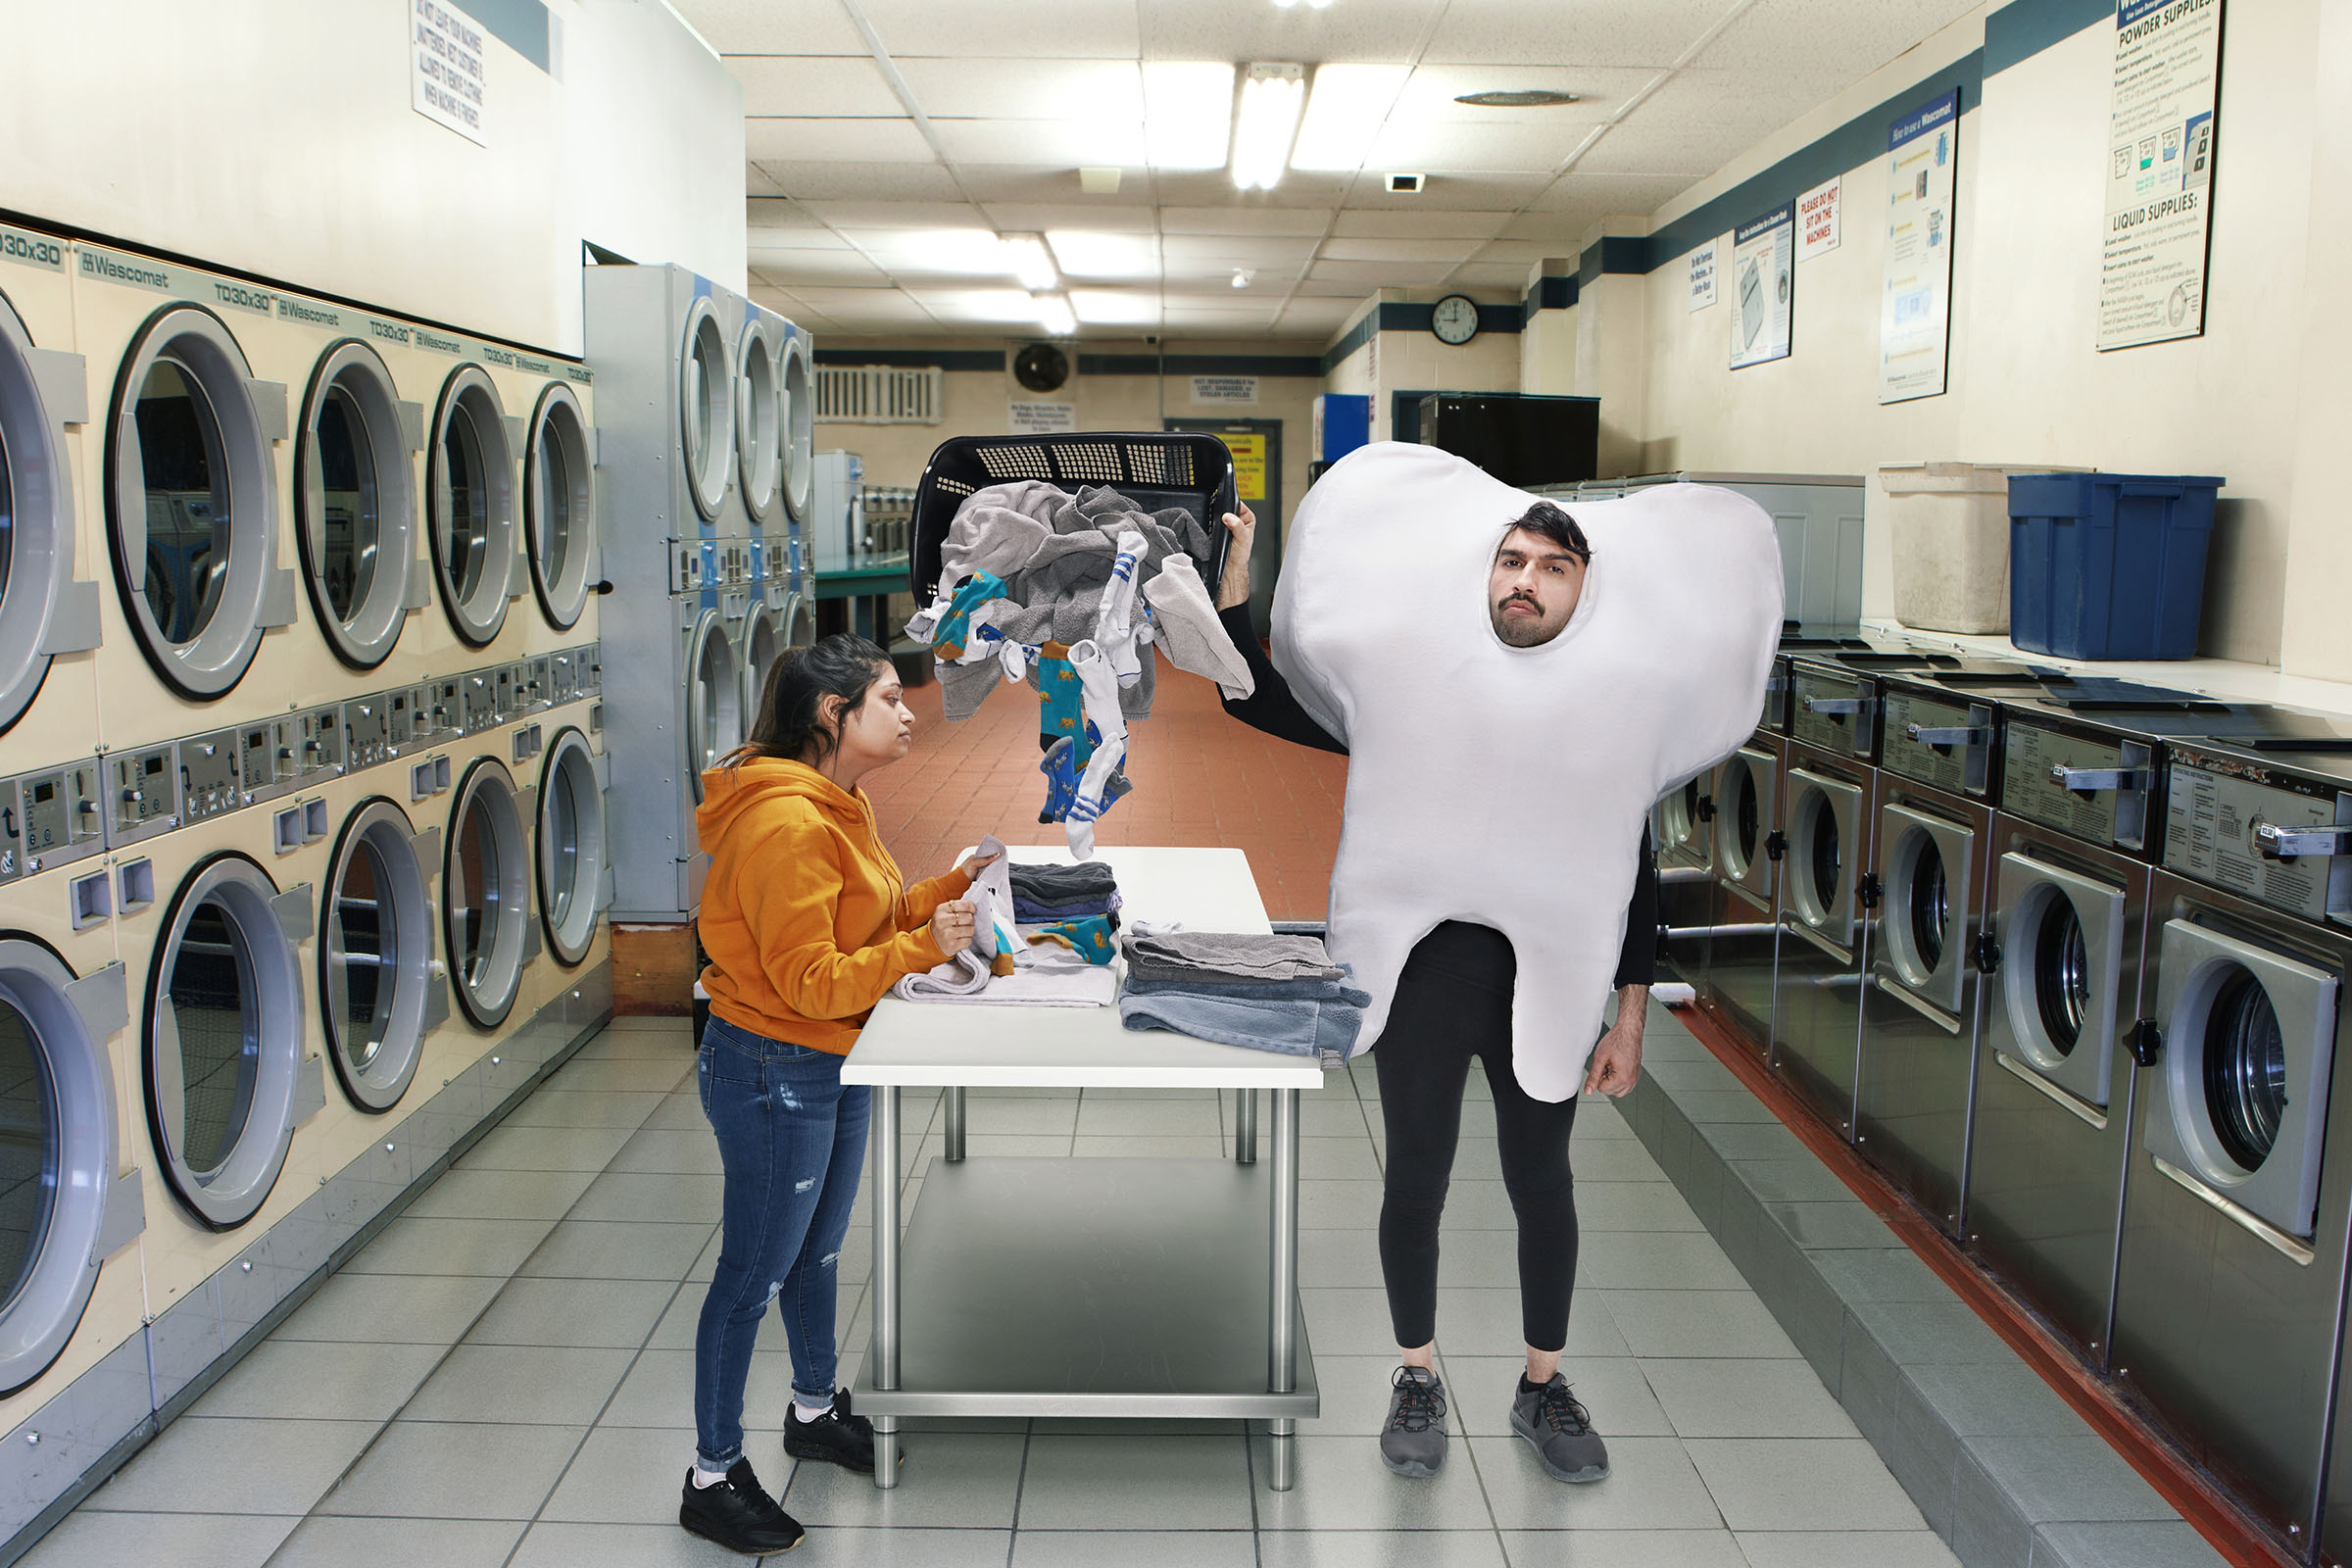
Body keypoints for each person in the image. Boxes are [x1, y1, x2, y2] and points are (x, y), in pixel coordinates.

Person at [1214, 498, 1653, 1486]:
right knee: (1416, 1178)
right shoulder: (1415, 691)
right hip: (1426, 972)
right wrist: (1239, 568)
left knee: (1543, 1182)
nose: (1526, 580)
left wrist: (1629, 1016)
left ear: (1583, 591)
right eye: (1513, 559)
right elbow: (1252, 697)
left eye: (1552, 567)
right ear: (1487, 573)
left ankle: (1543, 1384)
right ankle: (1416, 1376)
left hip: (1548, 975)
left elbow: (1637, 871)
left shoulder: (1608, 713)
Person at [679, 633, 996, 1555]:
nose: (908, 712)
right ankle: (710, 1476)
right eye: (890, 698)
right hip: (775, 1065)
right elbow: (810, 981)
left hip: (831, 1054)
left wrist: (951, 890)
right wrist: (922, 948)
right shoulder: (788, 825)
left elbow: (864, 917)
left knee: (815, 1254)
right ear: (833, 713)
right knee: (752, 1274)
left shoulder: (837, 801)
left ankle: (813, 1410)